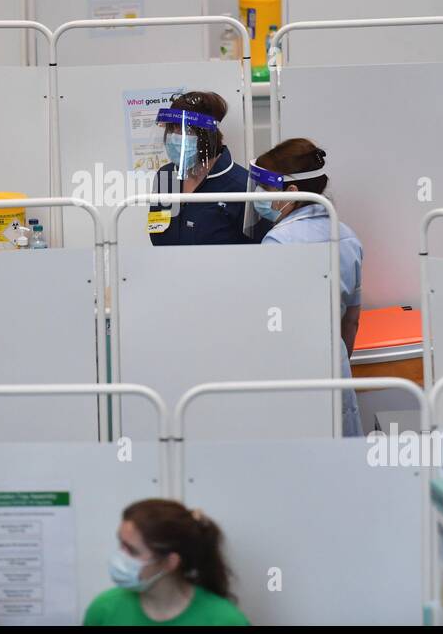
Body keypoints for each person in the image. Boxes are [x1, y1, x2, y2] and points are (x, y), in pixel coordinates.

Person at [251, 138, 365, 435]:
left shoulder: (278, 242)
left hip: (291, 371)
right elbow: (351, 321)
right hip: (334, 365)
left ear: (291, 192)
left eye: (265, 189)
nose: (258, 197)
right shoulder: (348, 237)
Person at [83, 499, 248, 626]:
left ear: (170, 562)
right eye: (121, 544)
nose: (120, 557)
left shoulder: (224, 620)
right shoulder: (104, 610)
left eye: (132, 551)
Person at [148, 91, 267, 246]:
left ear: (209, 135)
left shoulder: (244, 186)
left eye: (187, 131)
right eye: (171, 129)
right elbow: (158, 234)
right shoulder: (165, 175)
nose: (175, 137)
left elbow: (260, 253)